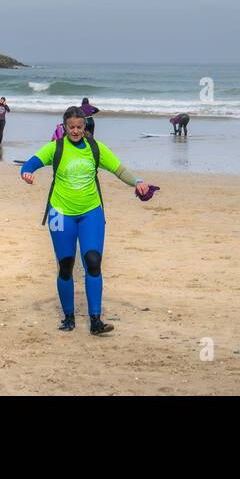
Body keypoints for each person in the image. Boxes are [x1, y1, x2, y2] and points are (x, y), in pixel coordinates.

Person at [19, 106, 153, 335]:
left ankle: (95, 320)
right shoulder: (56, 148)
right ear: (64, 127)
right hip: (59, 214)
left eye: (79, 127)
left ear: (85, 127)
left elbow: (119, 170)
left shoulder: (95, 148)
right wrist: (27, 173)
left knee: (93, 261)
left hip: (91, 212)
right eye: (71, 127)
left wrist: (138, 182)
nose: (75, 131)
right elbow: (30, 163)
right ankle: (69, 317)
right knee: (66, 266)